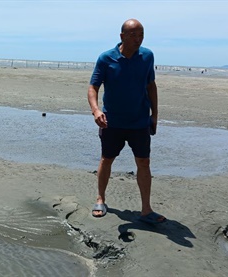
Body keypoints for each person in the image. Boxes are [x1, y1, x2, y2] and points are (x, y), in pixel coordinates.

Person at [87, 19, 165, 224]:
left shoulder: (147, 56)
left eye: (141, 34)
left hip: (139, 121)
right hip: (112, 121)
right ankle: (101, 199)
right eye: (133, 35)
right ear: (122, 36)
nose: (138, 39)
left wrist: (155, 115)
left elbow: (151, 86)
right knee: (107, 158)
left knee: (144, 162)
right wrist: (95, 111)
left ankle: (146, 210)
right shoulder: (106, 58)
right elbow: (93, 87)